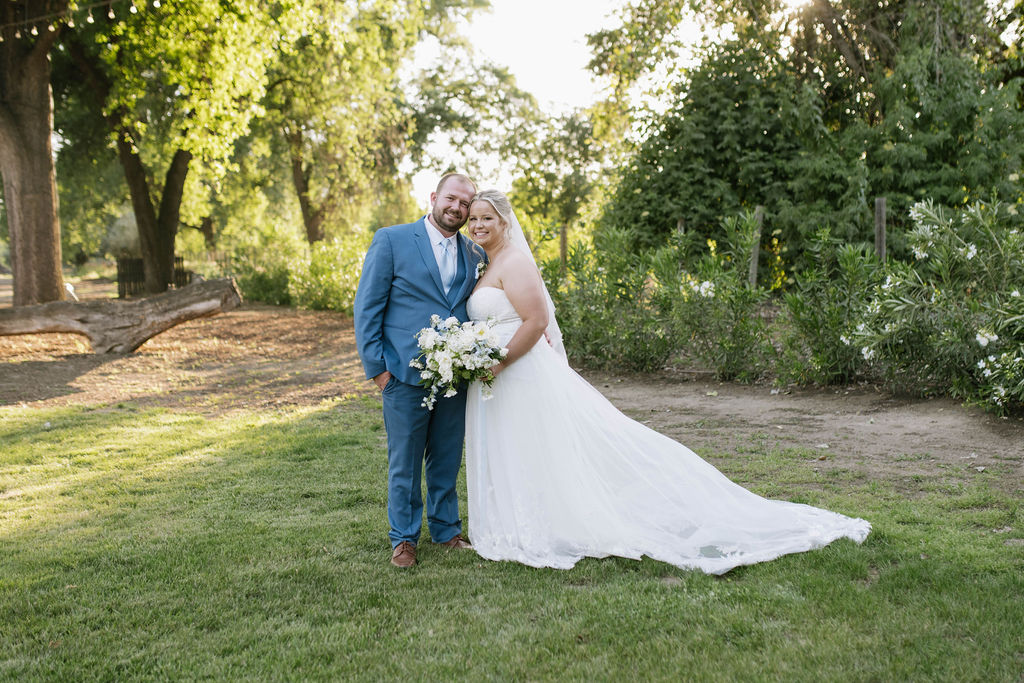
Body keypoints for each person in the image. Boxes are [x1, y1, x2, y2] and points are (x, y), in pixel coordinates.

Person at [463, 189, 870, 574]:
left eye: (487, 218)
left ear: (504, 221)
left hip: (519, 370)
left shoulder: (515, 261)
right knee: (522, 447)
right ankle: (525, 520)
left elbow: (536, 321)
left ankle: (551, 524)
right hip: (497, 373)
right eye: (474, 218)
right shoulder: (488, 262)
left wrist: (498, 362)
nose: (479, 225)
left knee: (545, 446)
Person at [354, 173, 485, 568]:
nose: (457, 209)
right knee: (405, 462)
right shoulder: (392, 240)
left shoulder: (476, 255)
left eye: (465, 204)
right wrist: (378, 370)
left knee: (446, 458)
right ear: (434, 197)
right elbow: (367, 307)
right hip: (403, 374)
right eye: (452, 199)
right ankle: (404, 539)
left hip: (455, 376)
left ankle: (446, 530)